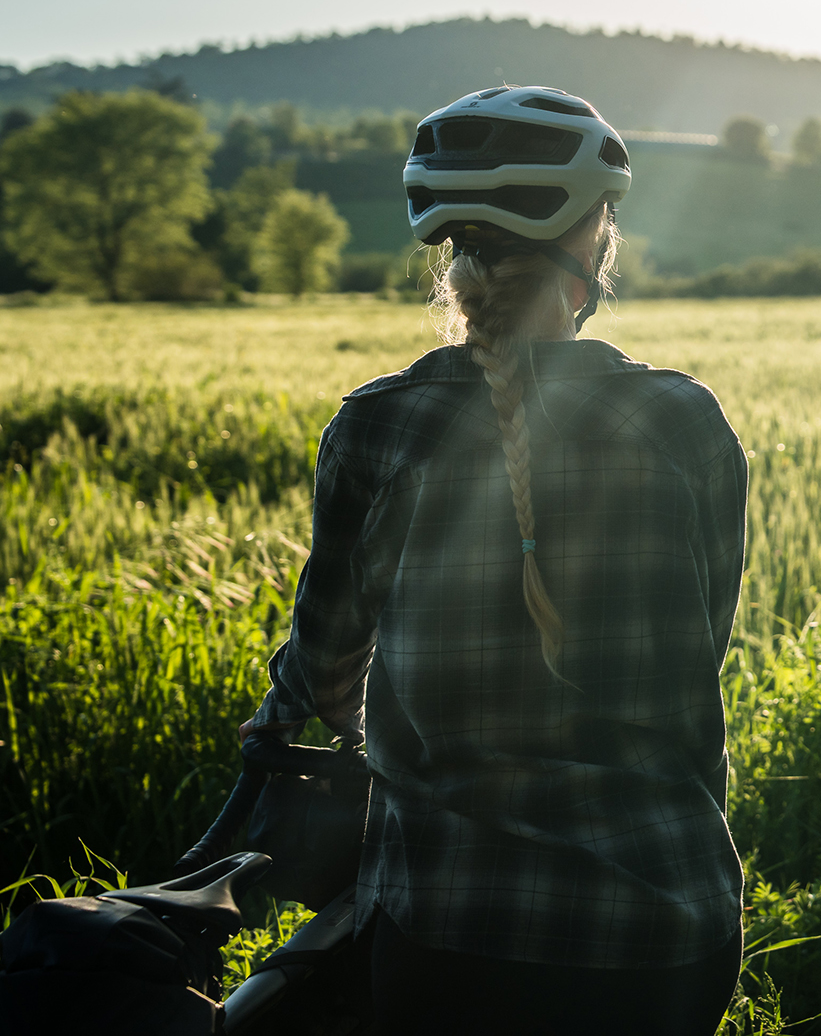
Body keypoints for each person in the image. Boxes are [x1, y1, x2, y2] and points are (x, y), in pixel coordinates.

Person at [242, 87, 747, 1035]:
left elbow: (323, 667)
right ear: (595, 240)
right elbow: (702, 640)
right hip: (664, 927)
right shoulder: (682, 422)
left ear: (449, 255)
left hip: (446, 929)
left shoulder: (381, 425)